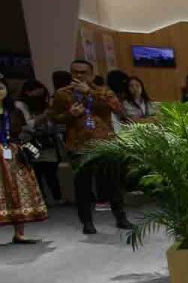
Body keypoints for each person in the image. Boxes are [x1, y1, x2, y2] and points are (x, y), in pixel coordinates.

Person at [48, 58, 128, 234]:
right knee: (82, 186)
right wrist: (69, 115)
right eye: (75, 72)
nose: (79, 75)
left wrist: (90, 93)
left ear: (91, 74)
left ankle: (121, 218)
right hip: (78, 145)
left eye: (83, 72)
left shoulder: (104, 91)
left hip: (105, 143)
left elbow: (119, 110)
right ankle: (87, 222)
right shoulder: (62, 94)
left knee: (113, 183)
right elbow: (54, 117)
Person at [0, 82, 47, 244]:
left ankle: (19, 233)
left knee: (19, 190)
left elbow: (24, 130)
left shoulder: (14, 110)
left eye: (1, 87)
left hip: (12, 152)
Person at [15, 80, 63, 203]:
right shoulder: (20, 106)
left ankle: (57, 197)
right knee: (36, 172)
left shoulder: (44, 105)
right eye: (37, 94)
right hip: (29, 142)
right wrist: (43, 117)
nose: (40, 97)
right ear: (28, 92)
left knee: (51, 171)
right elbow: (27, 126)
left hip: (47, 142)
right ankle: (41, 199)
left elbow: (52, 124)